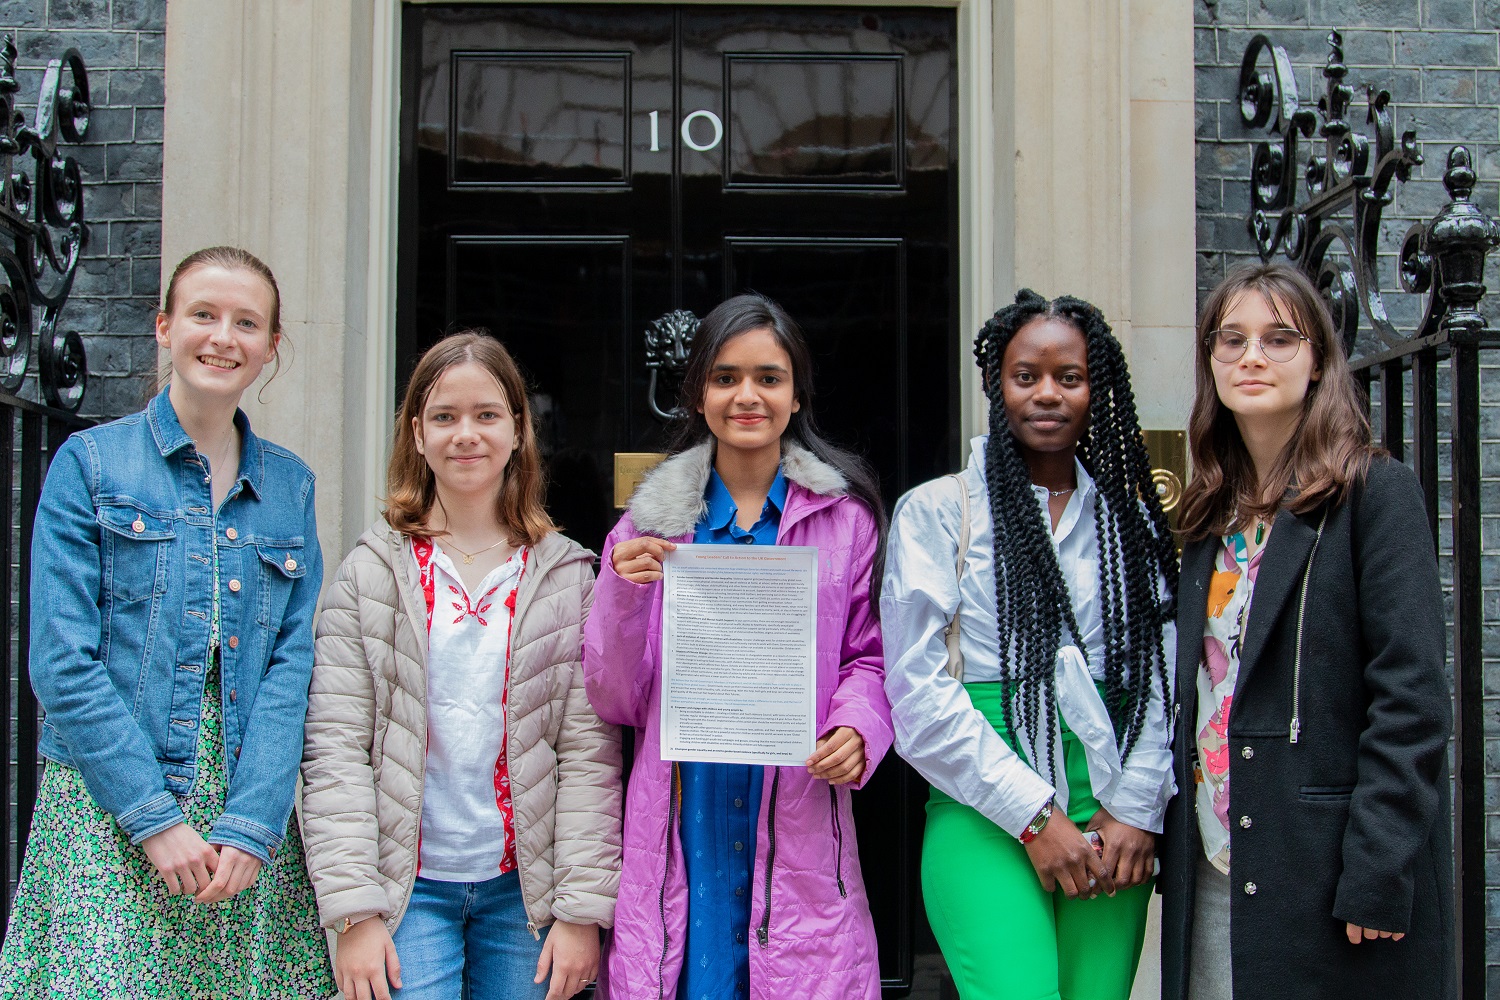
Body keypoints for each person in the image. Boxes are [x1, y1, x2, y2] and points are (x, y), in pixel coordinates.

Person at [0, 246, 332, 997]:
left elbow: (291, 665)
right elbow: (61, 660)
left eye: (247, 323)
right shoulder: (90, 466)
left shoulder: (290, 486)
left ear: (272, 346)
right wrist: (151, 817)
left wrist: (253, 822)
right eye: (204, 315)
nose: (223, 337)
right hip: (109, 799)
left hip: (240, 811)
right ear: (163, 326)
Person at [584, 293, 891, 1000]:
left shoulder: (847, 521)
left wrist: (857, 726)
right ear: (696, 394)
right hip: (684, 810)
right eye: (724, 377)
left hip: (798, 808)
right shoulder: (645, 531)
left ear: (796, 393)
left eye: (768, 377)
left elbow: (869, 658)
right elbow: (615, 696)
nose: (746, 395)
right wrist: (625, 596)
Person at [1159, 262, 1452, 1000]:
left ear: (1318, 360)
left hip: (1329, 873)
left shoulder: (1374, 494)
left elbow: (1411, 696)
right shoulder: (1206, 517)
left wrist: (1379, 867)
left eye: (1278, 338)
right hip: (1219, 868)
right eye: (1231, 341)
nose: (1251, 357)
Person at [300, 330, 621, 1000]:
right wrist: (354, 911)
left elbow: (588, 753)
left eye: (486, 415)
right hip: (406, 893)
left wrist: (582, 910)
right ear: (417, 434)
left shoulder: (566, 578)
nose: (465, 435)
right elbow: (334, 747)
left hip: (525, 896)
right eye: (444, 417)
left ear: (517, 429)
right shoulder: (371, 574)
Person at [882, 289, 1178, 1000]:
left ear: (1093, 387)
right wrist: (1036, 817)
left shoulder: (1129, 519)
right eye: (1026, 376)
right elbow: (917, 694)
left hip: (1111, 803)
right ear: (996, 384)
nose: (1047, 394)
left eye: (1068, 377)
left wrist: (1136, 807)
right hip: (984, 802)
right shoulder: (937, 512)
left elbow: (1163, 670)